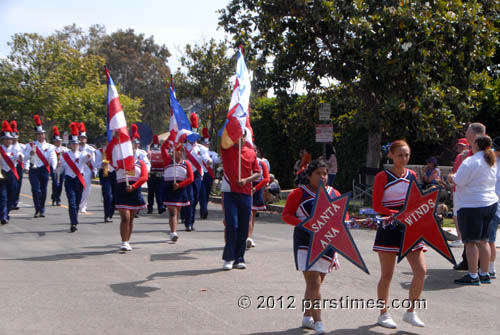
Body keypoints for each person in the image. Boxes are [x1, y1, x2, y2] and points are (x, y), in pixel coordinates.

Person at [282, 159, 345, 335]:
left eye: (325, 173)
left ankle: (306, 316)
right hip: (305, 244)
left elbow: (343, 214)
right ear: (309, 176)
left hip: (327, 245)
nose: (323, 177)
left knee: (315, 285)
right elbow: (286, 215)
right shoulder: (299, 194)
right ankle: (319, 323)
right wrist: (304, 223)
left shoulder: (334, 193)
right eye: (318, 174)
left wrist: (344, 222)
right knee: (314, 283)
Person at [372, 140, 426, 328]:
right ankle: (383, 313)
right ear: (391, 156)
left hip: (410, 228)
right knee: (387, 275)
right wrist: (397, 215)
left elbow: (416, 200)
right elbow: (376, 206)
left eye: (407, 155)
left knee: (421, 272)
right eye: (400, 155)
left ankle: (411, 311)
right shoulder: (382, 176)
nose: (404, 159)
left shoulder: (412, 175)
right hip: (389, 227)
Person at [448, 135, 498, 285]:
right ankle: (485, 272)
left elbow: (459, 180)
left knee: (471, 242)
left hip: (472, 205)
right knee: (484, 240)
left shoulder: (470, 161)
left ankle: (473, 274)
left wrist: (450, 177)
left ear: (475, 144)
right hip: (490, 202)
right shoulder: (491, 160)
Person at [221, 136, 261, 270]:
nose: (239, 139)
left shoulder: (251, 153)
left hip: (245, 193)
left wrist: (247, 180)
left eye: (241, 136)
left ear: (245, 137)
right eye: (236, 136)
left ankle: (239, 258)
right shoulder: (227, 150)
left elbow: (257, 173)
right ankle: (229, 258)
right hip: (229, 193)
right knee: (232, 225)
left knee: (244, 227)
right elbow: (223, 139)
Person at [106, 130, 148, 252]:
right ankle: (124, 242)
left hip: (134, 191)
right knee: (125, 217)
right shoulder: (119, 163)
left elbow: (144, 177)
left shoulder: (140, 163)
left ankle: (127, 240)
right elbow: (108, 154)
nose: (131, 150)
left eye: (133, 148)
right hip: (121, 190)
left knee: (131, 219)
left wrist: (134, 186)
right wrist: (114, 139)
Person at [452, 123, 486, 270]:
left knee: (473, 237)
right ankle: (477, 266)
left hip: (471, 199)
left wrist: (452, 179)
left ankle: (475, 269)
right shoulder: (471, 154)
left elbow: (461, 178)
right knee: (477, 237)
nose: (465, 133)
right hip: (469, 196)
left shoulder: (475, 156)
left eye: (467, 131)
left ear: (474, 134)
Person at [23, 115, 57, 218]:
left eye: (41, 134)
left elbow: (53, 158)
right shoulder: (30, 145)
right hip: (34, 170)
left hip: (44, 170)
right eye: (37, 134)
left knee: (43, 189)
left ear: (44, 134)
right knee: (35, 189)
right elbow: (24, 158)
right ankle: (37, 208)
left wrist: (54, 168)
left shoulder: (50, 147)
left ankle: (42, 208)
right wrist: (30, 154)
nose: (39, 136)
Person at [161, 138, 194, 242]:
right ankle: (173, 232)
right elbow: (162, 148)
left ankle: (173, 229)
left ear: (183, 152)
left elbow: (191, 178)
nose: (177, 152)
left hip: (180, 190)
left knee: (177, 211)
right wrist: (170, 136)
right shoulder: (167, 161)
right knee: (172, 212)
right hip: (169, 188)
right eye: (176, 150)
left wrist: (180, 185)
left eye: (180, 150)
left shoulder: (186, 164)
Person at [60, 123, 91, 232]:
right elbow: (60, 167)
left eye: (77, 144)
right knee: (71, 202)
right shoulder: (65, 155)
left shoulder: (82, 154)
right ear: (70, 145)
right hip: (69, 180)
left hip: (79, 179)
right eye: (73, 144)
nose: (75, 146)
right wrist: (58, 166)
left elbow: (88, 159)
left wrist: (89, 157)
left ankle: (75, 218)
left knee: (77, 202)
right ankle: (73, 223)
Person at [183, 137, 211, 231]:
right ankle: (188, 222)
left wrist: (208, 161)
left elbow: (205, 157)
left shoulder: (201, 148)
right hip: (186, 174)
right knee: (190, 198)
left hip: (197, 175)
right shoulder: (183, 147)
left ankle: (191, 221)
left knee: (195, 199)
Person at [247, 150, 270, 249]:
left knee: (252, 215)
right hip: (246, 187)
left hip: (257, 189)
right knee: (249, 214)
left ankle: (249, 237)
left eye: (254, 150)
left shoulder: (261, 163)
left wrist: (256, 188)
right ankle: (246, 237)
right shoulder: (245, 161)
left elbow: (266, 178)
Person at [0, 121, 22, 225]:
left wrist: (21, 157)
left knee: (12, 196)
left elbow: (19, 155)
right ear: (3, 140)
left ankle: (6, 213)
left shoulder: (15, 148)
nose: (8, 141)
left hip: (12, 174)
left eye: (9, 139)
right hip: (2, 175)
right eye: (6, 139)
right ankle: (3, 216)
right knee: (3, 196)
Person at [199, 128, 220, 219]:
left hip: (209, 175)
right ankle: (204, 210)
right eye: (205, 142)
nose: (206, 144)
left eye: (207, 143)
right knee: (202, 193)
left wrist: (222, 155)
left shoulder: (212, 153)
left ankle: (204, 208)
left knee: (207, 193)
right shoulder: (198, 152)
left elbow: (217, 160)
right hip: (201, 174)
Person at [131, 124, 150, 218]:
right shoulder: (128, 152)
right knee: (131, 192)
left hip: (138, 174)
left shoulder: (142, 153)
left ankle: (137, 208)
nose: (135, 145)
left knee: (137, 191)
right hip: (130, 174)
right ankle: (133, 207)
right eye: (133, 143)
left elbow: (147, 163)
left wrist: (146, 171)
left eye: (136, 143)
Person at [95, 139, 116, 222]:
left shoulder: (115, 150)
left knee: (115, 195)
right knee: (107, 194)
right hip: (104, 171)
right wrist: (102, 163)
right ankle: (107, 214)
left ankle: (111, 212)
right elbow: (95, 164)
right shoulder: (99, 151)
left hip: (114, 172)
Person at [488, 136, 500, 279]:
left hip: (495, 205)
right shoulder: (492, 161)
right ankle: (485, 266)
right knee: (484, 239)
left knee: (490, 239)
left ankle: (491, 268)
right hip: (487, 204)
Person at [78, 122, 96, 214]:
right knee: (78, 189)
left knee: (87, 189)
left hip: (87, 171)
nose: (82, 139)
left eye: (84, 138)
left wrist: (94, 171)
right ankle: (77, 204)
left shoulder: (91, 149)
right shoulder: (75, 148)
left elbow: (94, 162)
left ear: (86, 139)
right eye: (81, 138)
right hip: (78, 171)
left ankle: (83, 206)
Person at [147, 135, 166, 215]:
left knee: (159, 192)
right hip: (151, 175)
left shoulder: (163, 152)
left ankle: (160, 206)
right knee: (151, 193)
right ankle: (150, 208)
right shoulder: (149, 153)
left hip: (160, 174)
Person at [50, 126, 67, 206]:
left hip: (61, 167)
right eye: (56, 141)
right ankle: (54, 197)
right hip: (54, 167)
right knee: (54, 182)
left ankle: (58, 198)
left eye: (59, 141)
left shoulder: (64, 149)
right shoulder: (52, 148)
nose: (58, 143)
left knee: (60, 183)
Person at [10, 120, 24, 210]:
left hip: (19, 166)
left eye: (16, 137)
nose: (14, 139)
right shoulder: (7, 147)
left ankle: (15, 201)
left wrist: (26, 167)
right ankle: (10, 201)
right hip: (10, 166)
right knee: (11, 184)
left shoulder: (22, 146)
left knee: (18, 184)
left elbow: (25, 158)